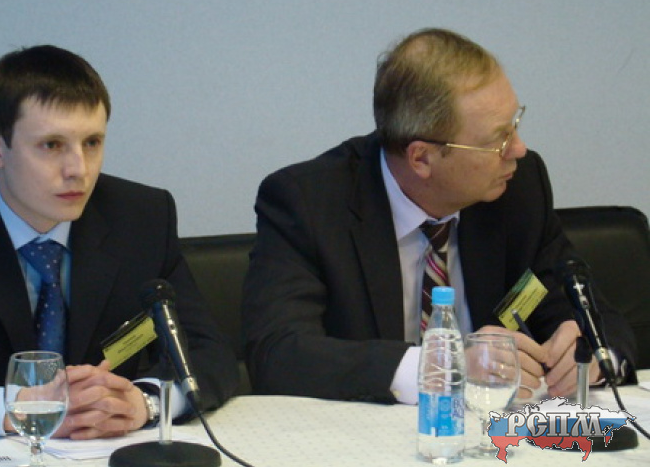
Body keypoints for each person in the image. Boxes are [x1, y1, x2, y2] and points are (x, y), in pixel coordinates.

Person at [0, 45, 238, 441]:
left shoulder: (142, 218)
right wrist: (14, 409)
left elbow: (210, 353)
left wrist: (145, 403)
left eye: (92, 142)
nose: (78, 170)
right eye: (52, 145)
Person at [242, 27, 635, 405]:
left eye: (514, 125)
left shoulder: (518, 189)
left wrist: (592, 352)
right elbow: (279, 353)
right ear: (422, 158)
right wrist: (441, 366)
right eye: (497, 139)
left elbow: (581, 307)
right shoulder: (308, 203)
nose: (518, 149)